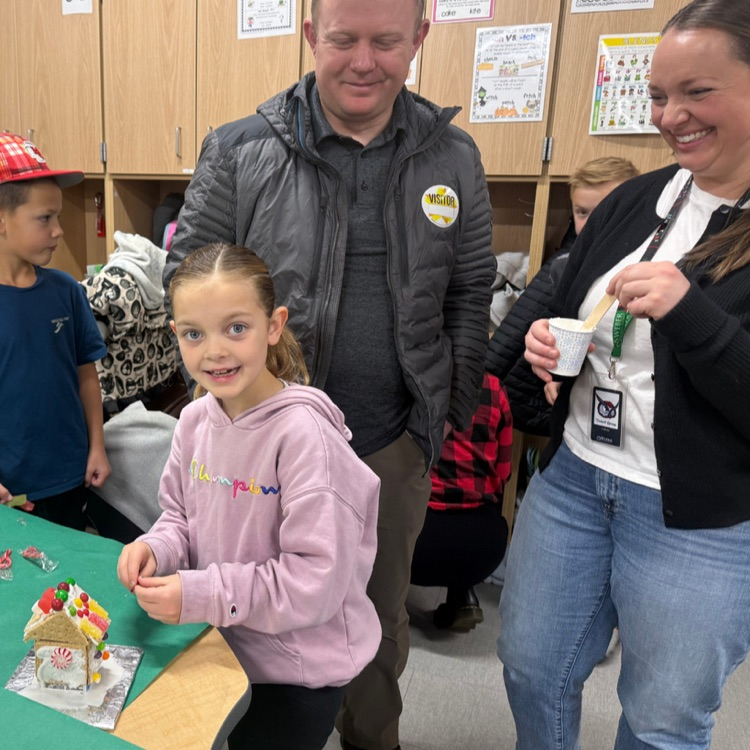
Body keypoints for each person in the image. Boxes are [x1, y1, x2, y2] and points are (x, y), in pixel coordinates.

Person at [165, 1, 495, 747]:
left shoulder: (453, 157)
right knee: (257, 623)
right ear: (311, 34)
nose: (364, 62)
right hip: (259, 446)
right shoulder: (241, 148)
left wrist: (442, 417)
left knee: (376, 630)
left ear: (420, 38)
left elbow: (471, 290)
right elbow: (185, 283)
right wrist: (225, 407)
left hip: (389, 444)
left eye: (386, 42)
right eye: (343, 40)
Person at [496, 1, 750, 747]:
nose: (671, 117)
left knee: (664, 719)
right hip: (576, 479)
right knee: (531, 669)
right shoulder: (641, 197)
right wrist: (551, 349)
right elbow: (579, 310)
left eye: (696, 92)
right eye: (659, 96)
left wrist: (691, 315)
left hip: (699, 517)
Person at [117, 243, 382, 750]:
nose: (215, 351)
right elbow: (179, 517)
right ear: (175, 336)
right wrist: (156, 547)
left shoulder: (306, 438)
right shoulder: (194, 420)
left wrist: (198, 594)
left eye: (236, 328)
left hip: (294, 676)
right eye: (194, 334)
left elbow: (313, 583)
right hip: (220, 646)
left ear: (274, 325)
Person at [0, 133, 110, 530]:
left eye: (58, 217)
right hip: (10, 491)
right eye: (45, 218)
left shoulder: (66, 291)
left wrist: (97, 446)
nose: (59, 230)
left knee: (66, 579)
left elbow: (86, 373)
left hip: (69, 475)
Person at [487, 157, 639, 435]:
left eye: (606, 210)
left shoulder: (650, 267)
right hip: (578, 407)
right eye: (582, 212)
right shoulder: (568, 266)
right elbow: (518, 336)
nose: (593, 223)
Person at [410, 372, 512, 631]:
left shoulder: (415, 377)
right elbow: (504, 473)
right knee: (478, 507)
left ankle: (388, 600)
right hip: (483, 547)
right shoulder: (494, 386)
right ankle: (463, 596)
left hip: (418, 543)